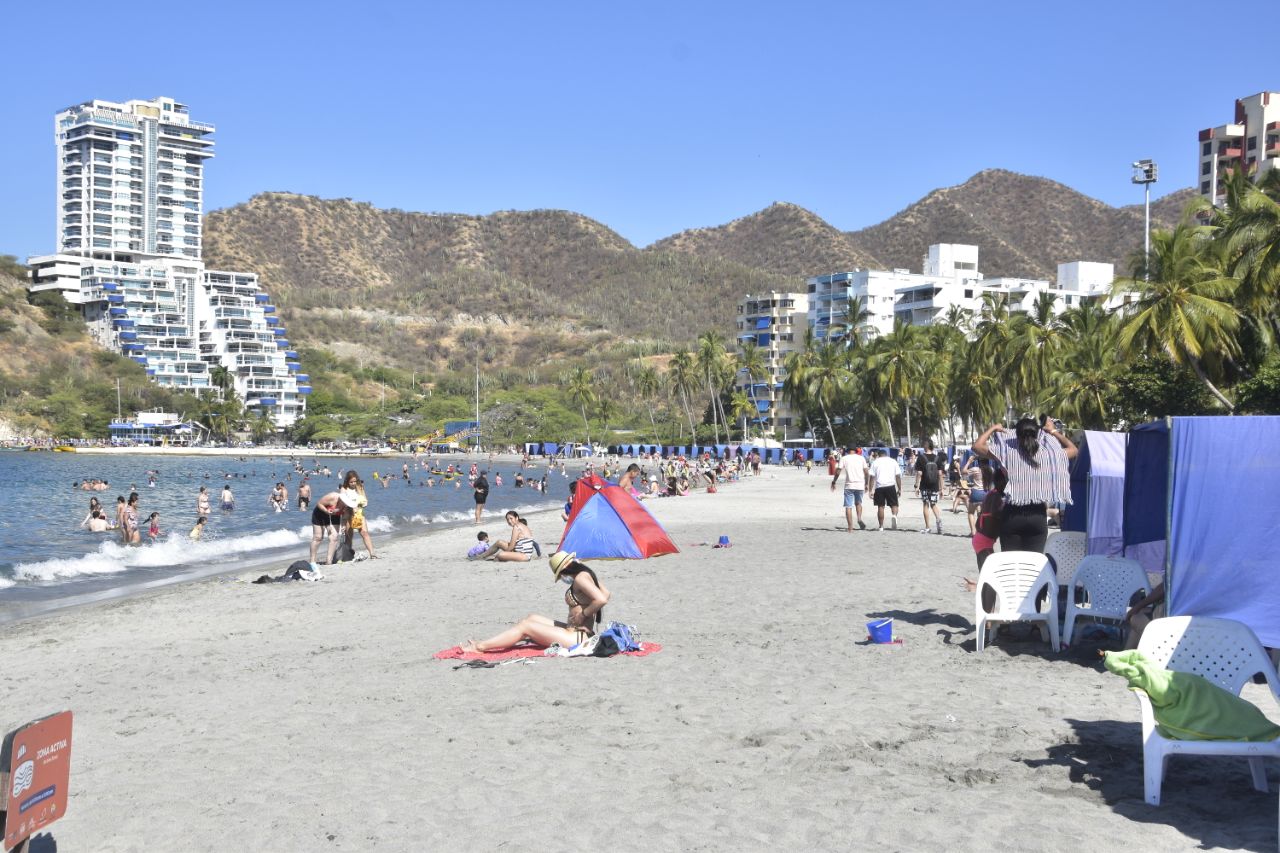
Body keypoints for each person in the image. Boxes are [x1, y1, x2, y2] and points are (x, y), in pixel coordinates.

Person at [459, 551, 610, 654]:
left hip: (578, 637)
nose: (562, 578)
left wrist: (582, 615)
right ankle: (498, 640)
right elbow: (606, 593)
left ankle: (480, 646)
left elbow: (602, 599)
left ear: (565, 568)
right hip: (574, 631)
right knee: (531, 618)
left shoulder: (581, 578)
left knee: (525, 627)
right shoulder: (585, 575)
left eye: (561, 574)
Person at [973, 416, 1075, 554]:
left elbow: (977, 446)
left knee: (1012, 563)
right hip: (1037, 515)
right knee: (1033, 563)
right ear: (1037, 435)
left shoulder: (1006, 453)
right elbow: (1073, 449)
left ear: (1016, 436)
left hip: (1012, 514)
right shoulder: (1049, 455)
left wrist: (993, 428)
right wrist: (1053, 431)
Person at [470, 511, 537, 562]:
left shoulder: (516, 527)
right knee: (499, 542)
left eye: (511, 518)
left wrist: (505, 553)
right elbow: (516, 544)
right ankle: (481, 556)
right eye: (507, 519)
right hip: (519, 552)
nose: (509, 521)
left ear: (517, 518)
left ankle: (484, 557)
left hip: (524, 556)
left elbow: (511, 546)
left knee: (500, 555)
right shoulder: (523, 526)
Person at [830, 447, 869, 531]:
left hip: (849, 485)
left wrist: (834, 481)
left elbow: (838, 471)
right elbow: (866, 472)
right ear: (855, 450)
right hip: (860, 485)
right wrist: (866, 484)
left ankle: (850, 527)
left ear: (847, 451)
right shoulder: (861, 458)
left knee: (848, 506)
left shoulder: (844, 458)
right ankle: (859, 519)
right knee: (858, 503)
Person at [340, 472, 377, 559]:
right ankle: (348, 555)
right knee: (349, 536)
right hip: (348, 514)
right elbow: (343, 501)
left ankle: (372, 554)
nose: (353, 483)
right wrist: (352, 505)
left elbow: (365, 501)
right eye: (351, 482)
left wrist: (361, 504)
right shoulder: (344, 489)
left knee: (364, 533)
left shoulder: (359, 487)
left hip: (360, 514)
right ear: (347, 481)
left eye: (355, 481)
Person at [914, 443, 945, 535]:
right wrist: (941, 488)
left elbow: (919, 473)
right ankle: (938, 520)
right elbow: (940, 474)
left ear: (926, 446)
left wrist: (917, 486)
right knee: (933, 504)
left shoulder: (921, 457)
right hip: (934, 486)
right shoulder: (937, 458)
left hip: (924, 485)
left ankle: (928, 527)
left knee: (925, 504)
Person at [310, 491, 347, 565]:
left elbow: (345, 515)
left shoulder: (349, 505)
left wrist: (343, 524)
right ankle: (312, 561)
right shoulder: (332, 496)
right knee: (318, 537)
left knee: (334, 537)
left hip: (335, 515)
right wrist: (326, 511)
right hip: (320, 513)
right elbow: (319, 503)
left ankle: (329, 561)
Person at [869, 449, 902, 531]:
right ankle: (894, 515)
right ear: (886, 454)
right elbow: (898, 476)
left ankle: (881, 526)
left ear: (878, 455)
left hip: (879, 487)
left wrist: (870, 490)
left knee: (880, 506)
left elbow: (872, 477)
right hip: (890, 486)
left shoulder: (875, 462)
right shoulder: (893, 461)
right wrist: (899, 488)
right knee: (894, 504)